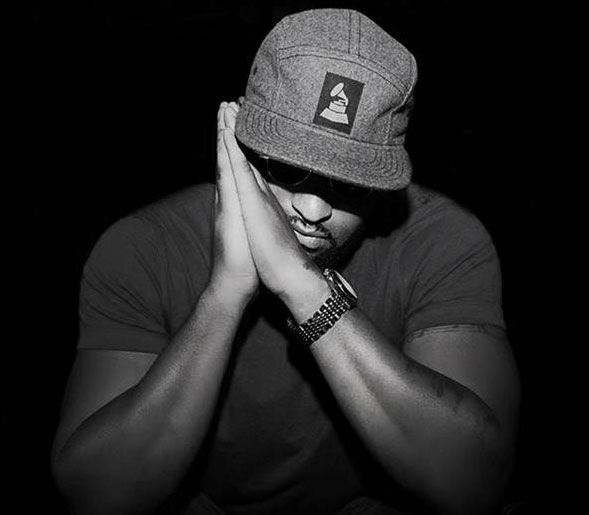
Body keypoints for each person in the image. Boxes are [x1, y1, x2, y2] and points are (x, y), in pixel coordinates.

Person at [51, 8, 520, 515]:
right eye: (287, 169)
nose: (313, 210)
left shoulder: (443, 241)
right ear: (238, 145)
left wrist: (303, 287)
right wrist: (225, 294)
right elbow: (97, 496)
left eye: (350, 184)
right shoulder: (145, 247)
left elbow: (472, 484)